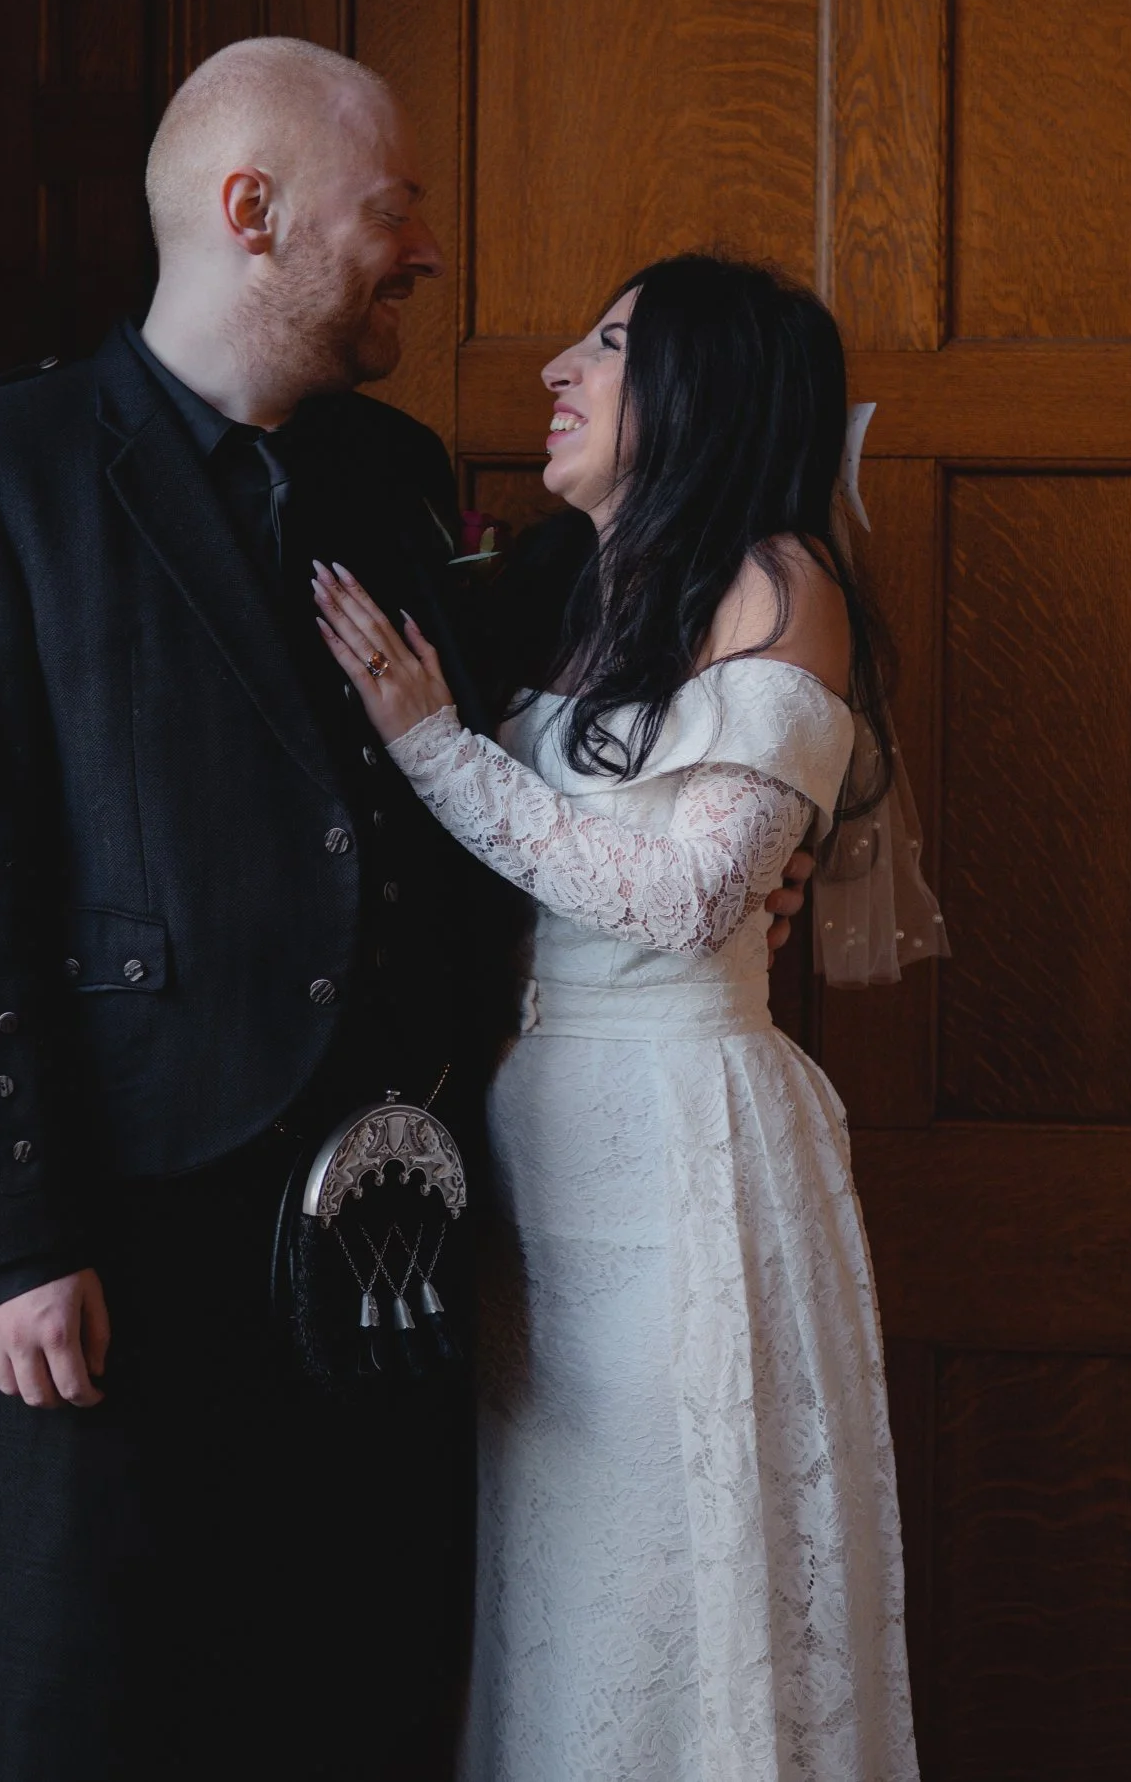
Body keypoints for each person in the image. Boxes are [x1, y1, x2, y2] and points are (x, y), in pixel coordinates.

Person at [0, 42, 812, 1782]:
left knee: (349, 1695)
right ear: (253, 212)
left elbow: (582, 727)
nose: (430, 250)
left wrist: (752, 815)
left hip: (391, 1244)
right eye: (396, 207)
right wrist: (11, 1241)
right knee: (96, 1713)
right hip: (124, 1238)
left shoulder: (390, 471)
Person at [314, 253, 943, 1782]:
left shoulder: (779, 584)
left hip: (684, 1153)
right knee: (559, 1580)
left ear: (703, 392)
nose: (558, 370)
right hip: (549, 1146)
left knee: (679, 1562)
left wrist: (432, 749)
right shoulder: (588, 590)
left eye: (607, 346)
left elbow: (678, 903)